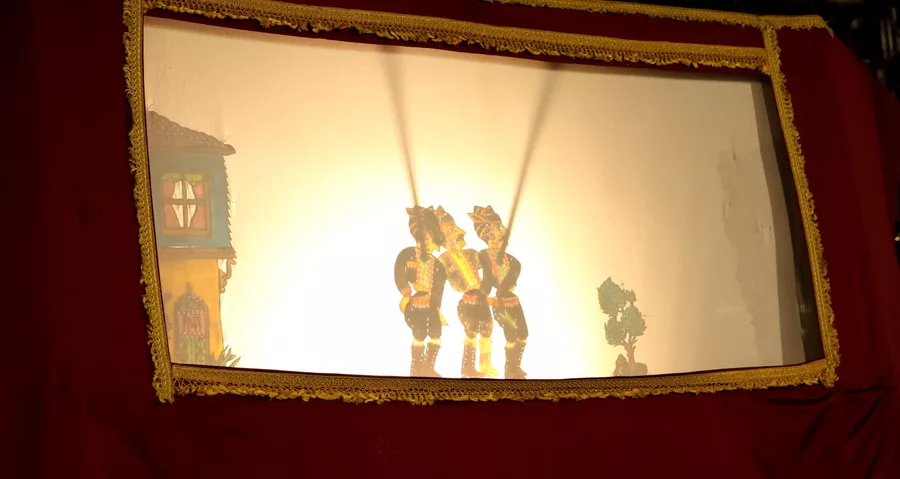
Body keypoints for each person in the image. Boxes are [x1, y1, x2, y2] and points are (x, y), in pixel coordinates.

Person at [435, 206, 498, 378]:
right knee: (471, 332)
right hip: (467, 302)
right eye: (446, 233)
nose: (451, 237)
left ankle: (485, 366)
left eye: (452, 231)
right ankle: (467, 368)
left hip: (482, 299)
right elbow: (439, 284)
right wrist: (436, 307)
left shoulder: (471, 254)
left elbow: (488, 266)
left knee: (486, 330)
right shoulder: (443, 260)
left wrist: (487, 287)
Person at [469, 205, 528, 380]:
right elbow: (488, 279)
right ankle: (509, 370)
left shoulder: (512, 261)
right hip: (500, 302)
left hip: (513, 300)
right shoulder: (484, 256)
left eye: (499, 238)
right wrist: (483, 295)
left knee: (523, 333)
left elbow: (515, 271)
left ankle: (515, 367)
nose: (495, 242)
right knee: (511, 333)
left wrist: (508, 284)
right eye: (491, 238)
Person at [394, 206, 447, 377]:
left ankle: (427, 368)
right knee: (420, 333)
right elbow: (399, 273)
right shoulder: (407, 254)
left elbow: (439, 290)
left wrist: (437, 307)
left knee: (436, 333)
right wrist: (405, 292)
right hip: (414, 303)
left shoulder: (438, 266)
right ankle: (416, 370)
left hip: (431, 304)